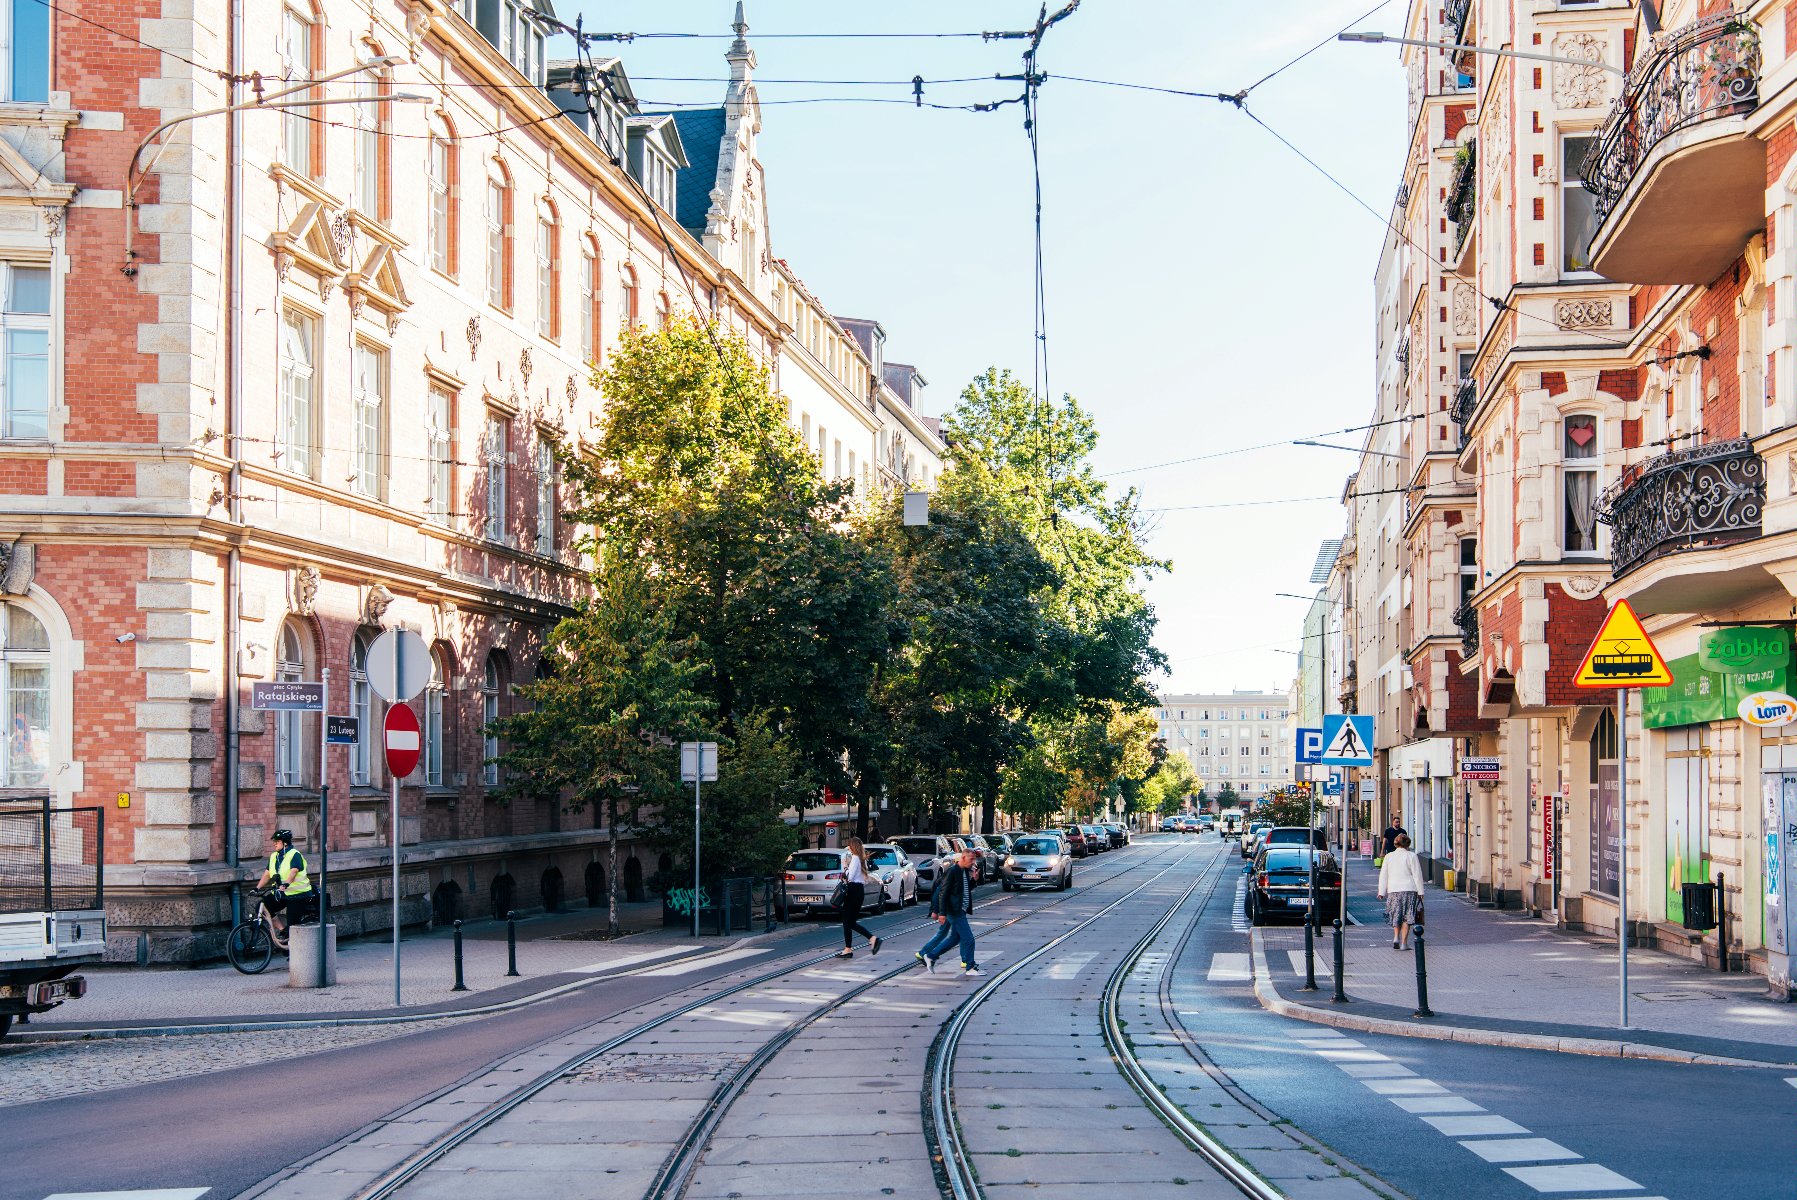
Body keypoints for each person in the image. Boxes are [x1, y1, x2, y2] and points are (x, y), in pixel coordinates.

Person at [916, 847, 982, 977]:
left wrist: (974, 880)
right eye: (971, 859)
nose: (974, 862)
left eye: (974, 859)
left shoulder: (964, 871)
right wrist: (941, 913)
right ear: (963, 858)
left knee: (954, 938)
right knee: (969, 939)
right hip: (954, 910)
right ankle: (970, 966)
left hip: (960, 910)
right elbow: (943, 893)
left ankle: (931, 955)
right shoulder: (952, 871)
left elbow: (965, 890)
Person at [255, 828, 317, 936]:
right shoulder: (274, 856)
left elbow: (294, 871)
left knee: (292, 925)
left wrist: (286, 883)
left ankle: (293, 945)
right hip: (282, 893)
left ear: (285, 843)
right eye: (274, 841)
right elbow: (267, 874)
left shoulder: (294, 854)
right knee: (262, 906)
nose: (274, 844)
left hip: (298, 895)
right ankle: (282, 930)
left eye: (277, 841)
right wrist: (256, 888)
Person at [833, 837, 882, 959]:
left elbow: (850, 877)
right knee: (849, 921)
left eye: (849, 846)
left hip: (853, 891)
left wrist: (845, 867)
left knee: (848, 921)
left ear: (853, 846)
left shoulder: (855, 859)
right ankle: (849, 948)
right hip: (858, 891)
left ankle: (871, 939)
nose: (848, 848)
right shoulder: (861, 859)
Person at [1377, 833, 1427, 950]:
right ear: (1407, 844)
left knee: (1396, 914)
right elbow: (1417, 875)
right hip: (1409, 889)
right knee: (1407, 916)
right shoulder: (1412, 856)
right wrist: (1421, 892)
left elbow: (1383, 874)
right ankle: (1404, 943)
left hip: (1394, 890)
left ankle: (1396, 937)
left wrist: (1381, 891)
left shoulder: (1389, 856)